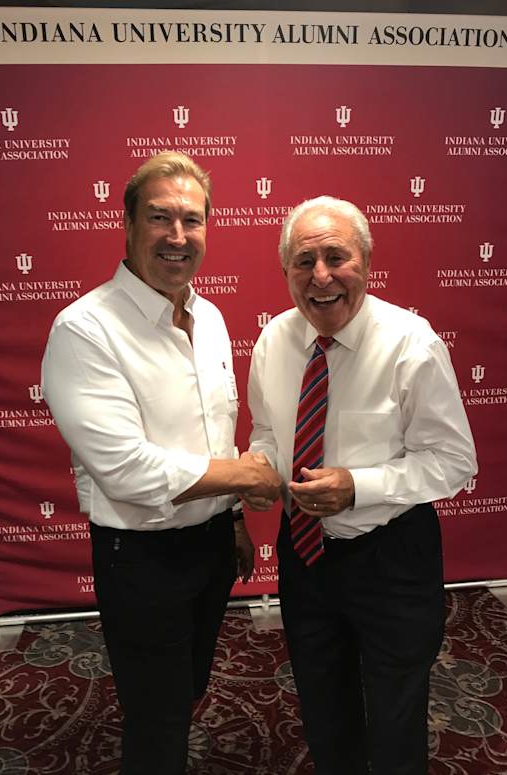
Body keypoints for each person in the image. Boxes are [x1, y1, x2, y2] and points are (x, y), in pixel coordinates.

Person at [41, 151, 281, 775]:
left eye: (192, 220)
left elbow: (217, 434)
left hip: (210, 548)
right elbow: (127, 469)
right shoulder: (85, 330)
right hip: (141, 557)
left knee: (190, 687)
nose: (178, 237)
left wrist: (232, 520)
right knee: (157, 717)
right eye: (160, 218)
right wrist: (253, 478)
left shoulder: (210, 318)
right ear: (126, 225)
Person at [246, 195, 477, 775]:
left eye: (335, 257)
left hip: (391, 556)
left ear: (366, 264)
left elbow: (454, 462)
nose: (320, 277)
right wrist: (258, 470)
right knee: (323, 705)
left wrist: (360, 486)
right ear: (286, 273)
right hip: (305, 555)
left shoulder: (411, 343)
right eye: (304, 262)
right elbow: (270, 432)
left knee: (397, 713)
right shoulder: (273, 341)